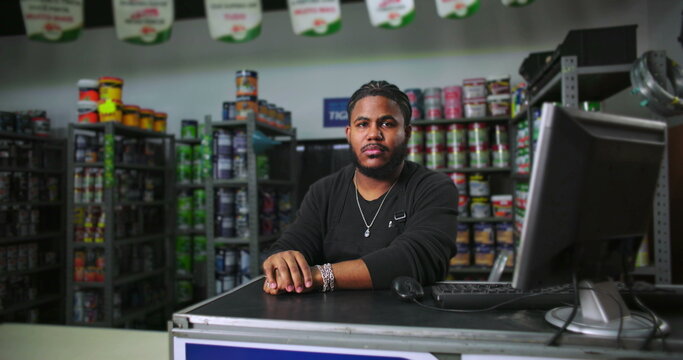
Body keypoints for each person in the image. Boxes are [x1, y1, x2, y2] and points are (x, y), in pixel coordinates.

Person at [262, 80, 459, 295]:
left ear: (407, 132)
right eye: (363, 124)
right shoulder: (323, 191)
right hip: (330, 321)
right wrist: (281, 260)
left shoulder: (433, 187)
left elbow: (416, 258)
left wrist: (318, 276)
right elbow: (294, 242)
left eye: (387, 123)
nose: (373, 134)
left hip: (409, 319)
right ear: (349, 133)